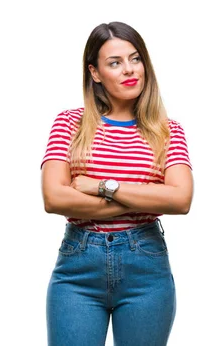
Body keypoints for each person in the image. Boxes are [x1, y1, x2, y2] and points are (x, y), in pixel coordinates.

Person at [41, 21, 193, 345]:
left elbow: (180, 200)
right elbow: (54, 198)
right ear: (95, 73)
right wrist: (148, 196)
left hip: (146, 269)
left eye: (135, 59)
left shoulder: (167, 130)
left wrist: (101, 186)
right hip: (78, 268)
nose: (129, 70)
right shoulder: (70, 123)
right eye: (115, 62)